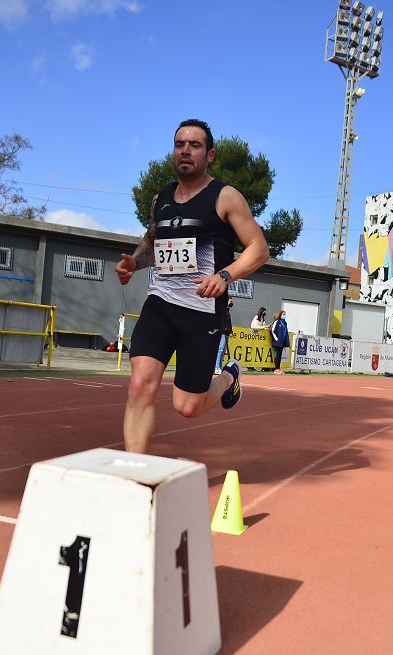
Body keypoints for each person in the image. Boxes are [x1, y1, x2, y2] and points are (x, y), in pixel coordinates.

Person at [114, 119, 269, 453]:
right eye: (179, 143)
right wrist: (135, 263)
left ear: (209, 154)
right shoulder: (162, 199)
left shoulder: (225, 197)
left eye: (194, 145)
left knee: (187, 406)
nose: (185, 150)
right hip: (161, 302)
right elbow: (154, 239)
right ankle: (136, 479)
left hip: (201, 310)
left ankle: (229, 377)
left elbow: (259, 249)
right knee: (140, 385)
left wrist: (224, 276)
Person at [213, 298, 234, 374]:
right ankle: (216, 367)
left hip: (226, 333)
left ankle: (219, 367)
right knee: (220, 350)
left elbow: (228, 322)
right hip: (222, 332)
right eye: (230, 301)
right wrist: (223, 328)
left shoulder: (228, 311)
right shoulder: (223, 310)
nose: (232, 302)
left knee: (222, 351)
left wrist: (230, 330)